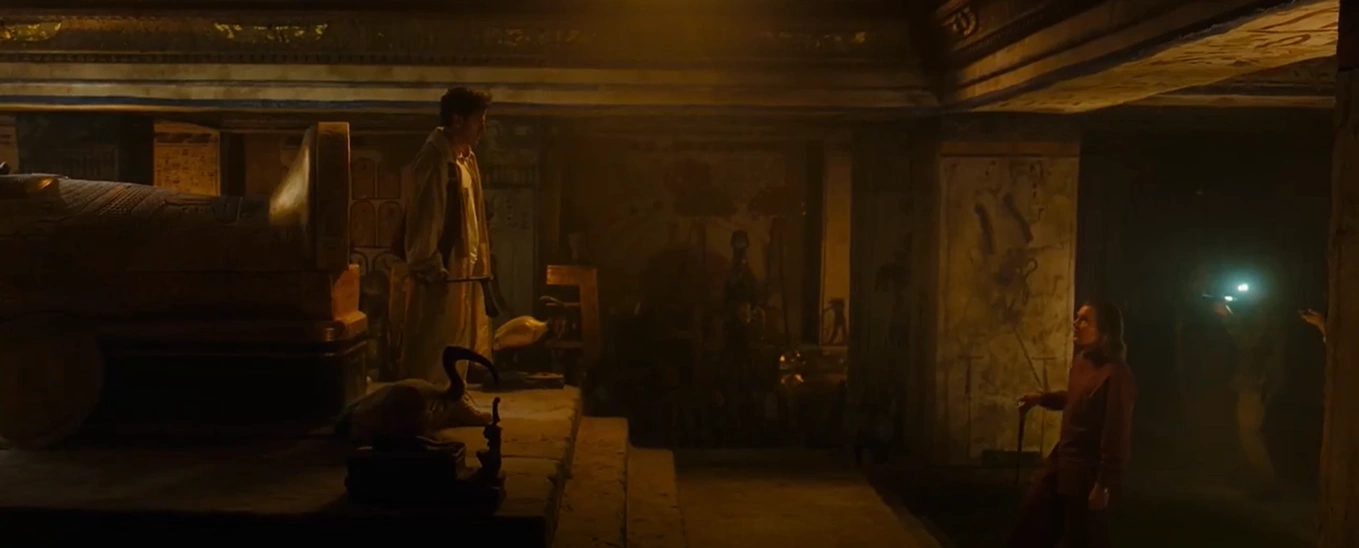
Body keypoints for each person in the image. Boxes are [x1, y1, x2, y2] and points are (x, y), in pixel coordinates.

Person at [396, 87, 496, 427]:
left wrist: (480, 262)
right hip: (442, 268)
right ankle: (422, 409)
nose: (483, 128)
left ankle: (454, 398)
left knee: (458, 338)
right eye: (478, 120)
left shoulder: (465, 158)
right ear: (457, 120)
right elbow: (425, 218)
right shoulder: (434, 159)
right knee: (434, 342)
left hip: (463, 265)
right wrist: (429, 264)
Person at [1009, 300, 1137, 548]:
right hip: (1061, 463)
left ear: (1104, 331)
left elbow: (1116, 434)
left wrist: (1102, 485)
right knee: (1030, 526)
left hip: (1086, 473)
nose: (1075, 323)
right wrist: (1041, 399)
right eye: (1077, 317)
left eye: (1084, 320)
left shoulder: (1116, 376)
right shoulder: (1082, 361)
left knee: (1082, 538)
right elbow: (1076, 399)